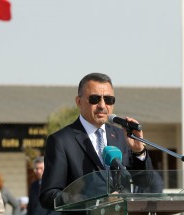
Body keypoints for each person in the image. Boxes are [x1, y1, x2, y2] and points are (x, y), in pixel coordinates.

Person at [39, 73, 153, 214]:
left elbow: (144, 183)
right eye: (94, 99)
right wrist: (96, 201)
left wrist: (139, 152)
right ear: (79, 102)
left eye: (109, 99)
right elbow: (49, 195)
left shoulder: (122, 136)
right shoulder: (61, 141)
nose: (102, 105)